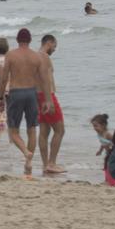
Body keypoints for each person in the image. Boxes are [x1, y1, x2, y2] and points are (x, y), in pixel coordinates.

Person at [1, 28, 46, 175]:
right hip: (32, 93)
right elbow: (43, 80)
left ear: (17, 40)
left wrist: (1, 96)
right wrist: (47, 100)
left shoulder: (11, 55)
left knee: (13, 130)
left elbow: (4, 76)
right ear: (30, 40)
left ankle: (26, 152)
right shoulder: (36, 57)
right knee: (32, 128)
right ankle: (28, 163)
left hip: (16, 92)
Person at [37, 33, 66, 175]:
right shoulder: (45, 57)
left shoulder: (35, 56)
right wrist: (49, 100)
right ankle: (52, 163)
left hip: (38, 95)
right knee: (60, 130)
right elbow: (46, 79)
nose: (54, 49)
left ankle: (45, 164)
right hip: (47, 96)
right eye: (54, 46)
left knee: (44, 131)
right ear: (48, 43)